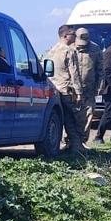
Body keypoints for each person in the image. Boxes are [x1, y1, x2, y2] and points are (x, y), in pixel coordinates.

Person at [44, 25, 85, 156]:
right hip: (67, 90)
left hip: (54, 89)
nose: (75, 37)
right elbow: (74, 73)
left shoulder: (51, 51)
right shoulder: (69, 51)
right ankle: (76, 146)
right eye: (73, 34)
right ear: (65, 36)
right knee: (72, 119)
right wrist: (79, 92)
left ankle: (57, 146)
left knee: (57, 119)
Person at [72, 26, 100, 137]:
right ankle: (69, 140)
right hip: (73, 88)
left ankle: (83, 139)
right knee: (73, 114)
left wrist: (100, 86)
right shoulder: (70, 48)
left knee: (88, 113)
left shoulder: (95, 49)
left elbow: (100, 69)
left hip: (89, 87)